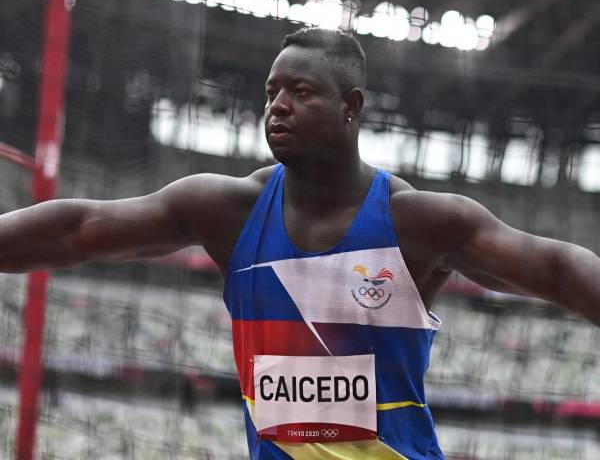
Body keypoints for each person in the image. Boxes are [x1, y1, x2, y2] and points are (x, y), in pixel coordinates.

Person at [2, 26, 600, 459]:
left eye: (301, 92)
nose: (278, 107)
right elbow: (77, 230)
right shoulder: (225, 211)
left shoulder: (420, 223)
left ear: (351, 107)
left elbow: (558, 268)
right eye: (270, 92)